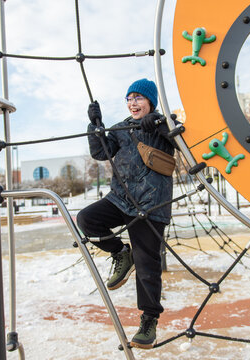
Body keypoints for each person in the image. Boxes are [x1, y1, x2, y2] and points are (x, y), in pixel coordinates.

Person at [76, 78, 177, 349]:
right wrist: (96, 126)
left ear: (150, 102)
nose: (133, 103)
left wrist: (159, 123)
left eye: (139, 98)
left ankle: (149, 318)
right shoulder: (121, 128)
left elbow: (179, 136)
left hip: (151, 203)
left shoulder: (163, 124)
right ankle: (120, 252)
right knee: (87, 219)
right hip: (120, 198)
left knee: (148, 264)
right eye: (129, 98)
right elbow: (101, 152)